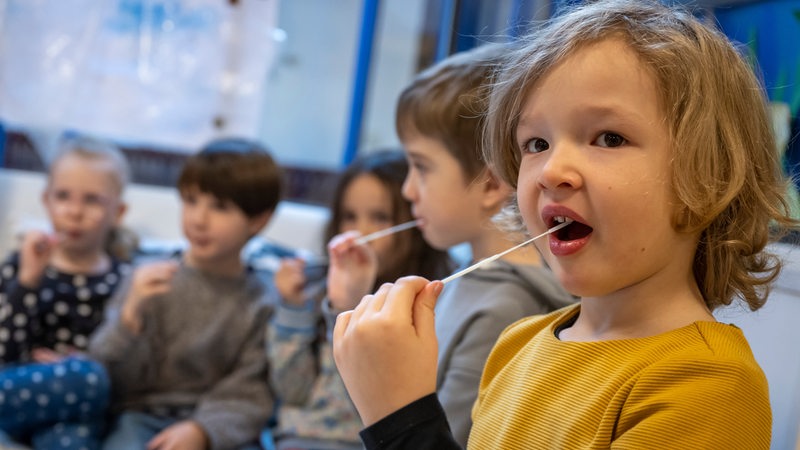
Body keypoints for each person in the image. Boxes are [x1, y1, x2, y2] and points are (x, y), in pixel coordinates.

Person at [332, 1, 800, 448]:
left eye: (608, 138)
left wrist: (400, 416)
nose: (552, 170)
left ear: (709, 177)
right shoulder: (516, 343)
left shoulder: (707, 384)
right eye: (535, 143)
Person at [329, 43, 575, 447]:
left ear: (490, 183)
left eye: (421, 167)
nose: (408, 189)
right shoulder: (468, 275)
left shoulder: (504, 311)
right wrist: (348, 304)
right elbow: (368, 416)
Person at [88, 137, 281, 450]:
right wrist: (129, 318)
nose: (198, 219)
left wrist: (201, 431)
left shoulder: (262, 301)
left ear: (259, 219)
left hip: (215, 428)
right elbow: (104, 372)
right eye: (191, 201)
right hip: (140, 418)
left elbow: (251, 390)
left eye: (220, 207)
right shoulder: (146, 278)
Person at [265, 149, 454, 450]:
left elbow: (377, 410)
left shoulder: (428, 303)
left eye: (380, 218)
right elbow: (293, 391)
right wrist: (294, 308)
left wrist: (352, 306)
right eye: (349, 217)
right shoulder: (317, 292)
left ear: (415, 222)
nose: (360, 232)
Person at [0, 135, 133, 450]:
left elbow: (124, 367)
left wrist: (74, 365)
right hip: (18, 393)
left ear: (118, 211)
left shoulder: (123, 279)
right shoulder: (22, 264)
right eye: (63, 197)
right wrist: (28, 282)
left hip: (80, 405)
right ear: (46, 200)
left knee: (87, 387)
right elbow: (4, 351)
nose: (74, 212)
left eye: (92, 200)